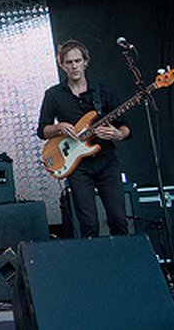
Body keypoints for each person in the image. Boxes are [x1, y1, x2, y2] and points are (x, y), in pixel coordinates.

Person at [37, 39, 130, 237]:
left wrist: (119, 134)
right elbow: (42, 130)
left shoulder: (102, 91)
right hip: (78, 166)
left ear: (86, 62)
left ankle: (120, 255)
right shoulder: (53, 95)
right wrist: (59, 127)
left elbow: (125, 125)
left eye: (78, 61)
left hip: (106, 160)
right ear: (62, 65)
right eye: (69, 62)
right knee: (88, 224)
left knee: (118, 219)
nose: (74, 66)